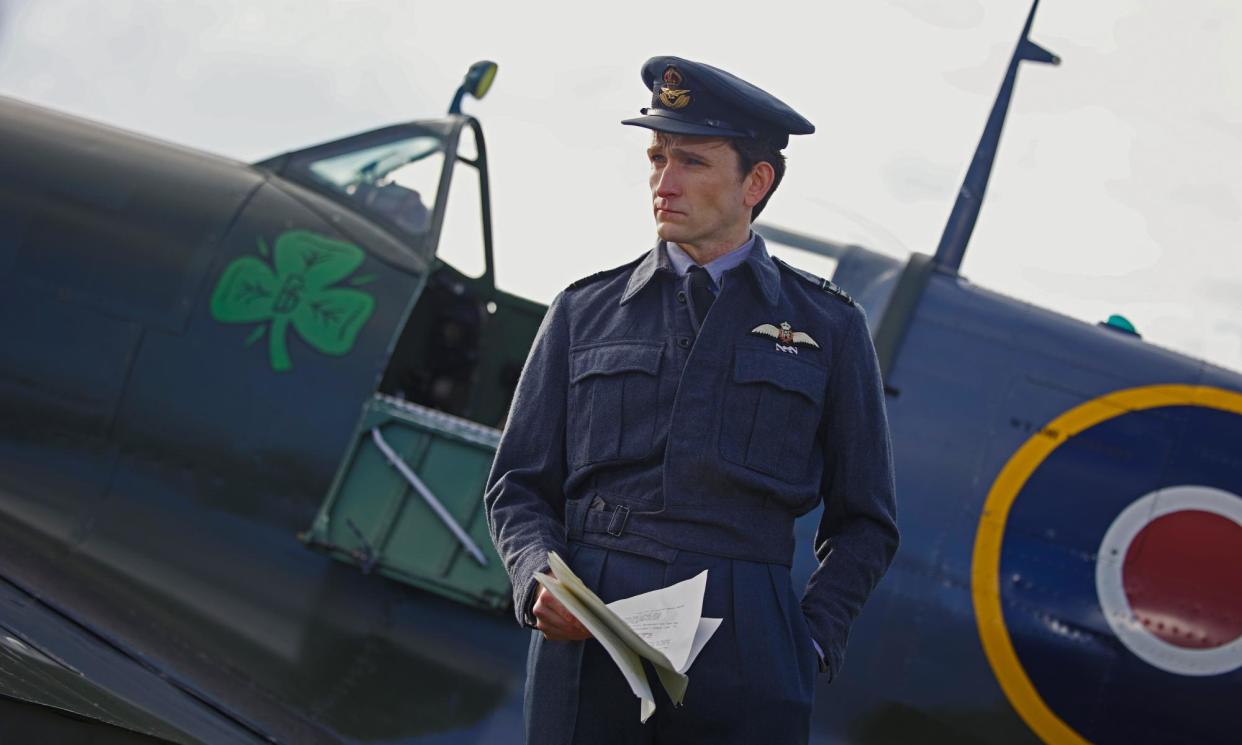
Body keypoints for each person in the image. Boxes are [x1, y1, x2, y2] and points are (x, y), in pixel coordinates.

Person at [485, 55, 898, 745]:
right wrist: (535, 577)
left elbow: (868, 521)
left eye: (692, 162)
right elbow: (517, 485)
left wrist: (809, 641)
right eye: (656, 157)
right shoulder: (583, 311)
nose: (663, 182)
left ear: (755, 182)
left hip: (750, 644)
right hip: (590, 634)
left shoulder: (831, 329)